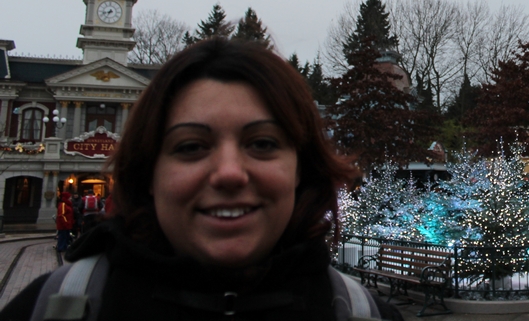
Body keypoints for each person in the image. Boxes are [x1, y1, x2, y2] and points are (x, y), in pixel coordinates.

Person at [0, 38, 401, 321]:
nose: (229, 173)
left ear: (301, 168)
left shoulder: (360, 313)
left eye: (262, 143)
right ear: (149, 170)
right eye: (191, 146)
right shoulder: (51, 308)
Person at [55, 192, 74, 257]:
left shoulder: (68, 204)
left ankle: (64, 247)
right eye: (70, 197)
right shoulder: (63, 204)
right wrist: (66, 222)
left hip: (67, 225)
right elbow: (61, 215)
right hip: (63, 225)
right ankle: (61, 247)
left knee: (66, 236)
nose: (71, 198)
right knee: (62, 236)